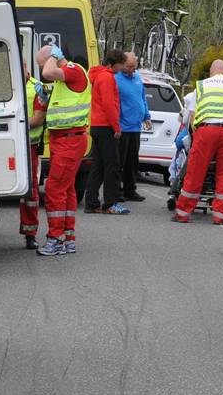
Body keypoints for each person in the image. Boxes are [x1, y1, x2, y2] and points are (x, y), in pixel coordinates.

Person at [172, 60, 223, 224]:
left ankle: (183, 213)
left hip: (207, 130)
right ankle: (220, 216)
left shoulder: (202, 86)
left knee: (195, 171)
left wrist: (195, 134)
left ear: (211, 71)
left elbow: (192, 115)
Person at [36, 44, 91, 256]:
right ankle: (67, 238)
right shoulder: (65, 78)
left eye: (43, 63)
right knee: (66, 190)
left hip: (70, 140)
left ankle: (56, 239)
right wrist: (46, 94)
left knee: (54, 190)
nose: (44, 73)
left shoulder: (73, 69)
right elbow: (61, 90)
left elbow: (49, 72)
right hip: (65, 140)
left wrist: (51, 59)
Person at [84, 49, 129, 215]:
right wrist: (116, 127)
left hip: (96, 125)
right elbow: (109, 104)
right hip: (105, 126)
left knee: (98, 166)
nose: (122, 67)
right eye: (121, 64)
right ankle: (110, 203)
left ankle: (91, 202)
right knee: (112, 166)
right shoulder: (107, 77)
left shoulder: (98, 75)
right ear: (114, 63)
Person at [19, 63, 48, 250]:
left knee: (30, 192)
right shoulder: (5, 84)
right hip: (6, 145)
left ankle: (30, 234)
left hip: (28, 146)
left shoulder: (38, 88)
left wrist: (15, 125)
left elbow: (38, 119)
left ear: (25, 68)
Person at [115, 52, 151, 202]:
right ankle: (117, 190)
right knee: (119, 161)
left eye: (133, 67)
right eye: (129, 66)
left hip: (136, 127)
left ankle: (131, 189)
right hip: (123, 127)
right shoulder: (116, 79)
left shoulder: (137, 78)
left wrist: (146, 116)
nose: (132, 70)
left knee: (132, 161)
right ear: (123, 64)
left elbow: (142, 98)